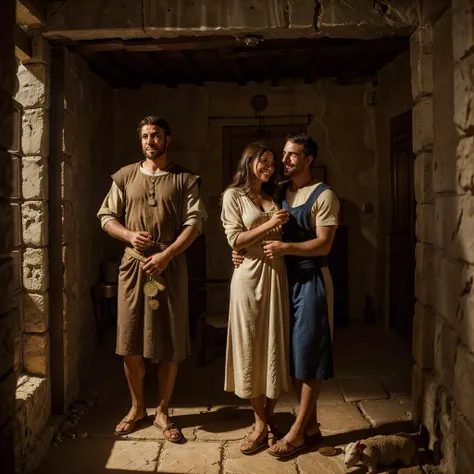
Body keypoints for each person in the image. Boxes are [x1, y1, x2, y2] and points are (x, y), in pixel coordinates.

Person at [97, 116, 207, 442]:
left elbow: (195, 223)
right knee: (129, 339)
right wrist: (130, 236)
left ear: (167, 140)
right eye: (145, 136)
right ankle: (137, 407)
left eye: (156, 135)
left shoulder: (185, 179)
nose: (149, 141)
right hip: (133, 268)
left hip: (169, 266)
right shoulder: (124, 177)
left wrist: (167, 254)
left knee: (170, 341)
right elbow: (105, 217)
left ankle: (162, 411)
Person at [232, 134, 339, 458]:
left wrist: (286, 248)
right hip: (282, 282)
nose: (285, 160)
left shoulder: (324, 195)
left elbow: (325, 244)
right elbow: (247, 230)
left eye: (293, 155)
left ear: (308, 160)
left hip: (311, 280)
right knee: (292, 358)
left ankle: (296, 434)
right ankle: (312, 427)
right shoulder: (277, 192)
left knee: (308, 358)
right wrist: (236, 253)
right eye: (284, 154)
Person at [221, 142, 291, 455]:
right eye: (263, 161)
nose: (270, 166)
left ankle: (268, 419)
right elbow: (235, 239)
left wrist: (276, 227)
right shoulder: (233, 196)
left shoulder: (274, 196)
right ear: (249, 162)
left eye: (273, 162)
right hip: (248, 277)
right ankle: (261, 423)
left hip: (276, 275)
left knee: (274, 345)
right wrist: (271, 224)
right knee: (249, 346)